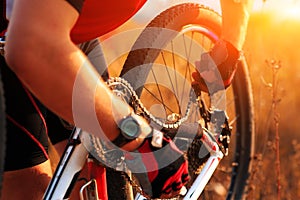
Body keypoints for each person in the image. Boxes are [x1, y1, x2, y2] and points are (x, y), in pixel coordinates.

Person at [0, 0, 253, 199]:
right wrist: (138, 138)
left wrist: (230, 48)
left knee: (93, 176)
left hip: (67, 27)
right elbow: (33, 45)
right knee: (30, 186)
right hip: (22, 34)